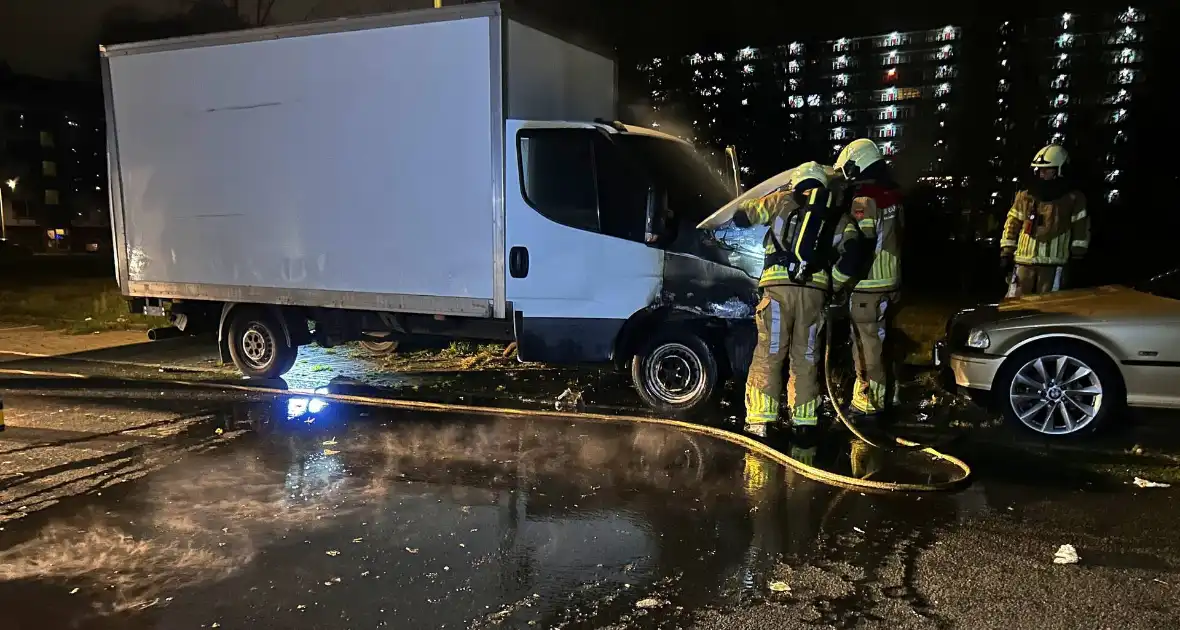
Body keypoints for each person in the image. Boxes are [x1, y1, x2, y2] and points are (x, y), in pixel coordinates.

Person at [731, 161, 851, 439]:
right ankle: (805, 422)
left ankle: (761, 421)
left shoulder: (781, 200)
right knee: (806, 356)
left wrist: (749, 198)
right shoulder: (835, 215)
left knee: (770, 354)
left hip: (777, 291)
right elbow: (853, 251)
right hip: (814, 294)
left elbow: (741, 217)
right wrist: (835, 283)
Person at [831, 139, 903, 421]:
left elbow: (862, 243)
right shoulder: (893, 195)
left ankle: (867, 403)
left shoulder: (863, 199)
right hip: (891, 279)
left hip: (868, 284)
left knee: (865, 345)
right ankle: (889, 394)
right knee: (883, 341)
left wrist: (840, 280)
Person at [1000, 144, 1089, 296]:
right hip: (1024, 262)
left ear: (1060, 171)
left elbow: (1081, 229)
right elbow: (1012, 223)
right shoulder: (1025, 196)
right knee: (1015, 307)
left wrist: (1077, 257)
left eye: (1046, 169)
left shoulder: (1072, 199)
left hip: (1054, 264)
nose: (1041, 174)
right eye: (1039, 170)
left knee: (1049, 309)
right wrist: (1006, 253)